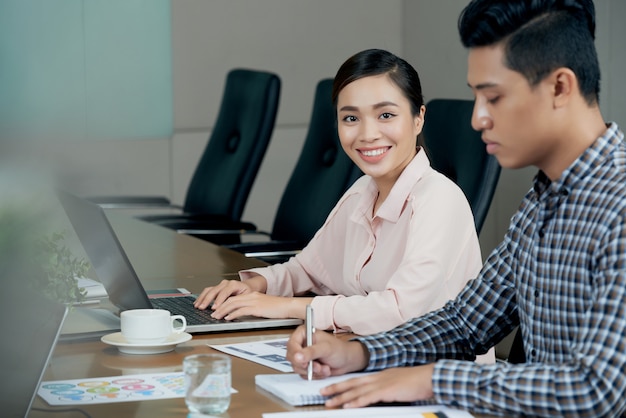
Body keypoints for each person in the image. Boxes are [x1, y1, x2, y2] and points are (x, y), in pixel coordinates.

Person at [286, 0, 626, 416]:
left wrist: (429, 379)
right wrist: (360, 353)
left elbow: (597, 390)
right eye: (476, 97)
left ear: (560, 87)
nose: (478, 119)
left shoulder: (619, 204)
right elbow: (465, 323)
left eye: (494, 98)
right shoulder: (542, 202)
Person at [194, 49, 484, 339]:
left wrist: (287, 307)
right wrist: (257, 286)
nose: (368, 133)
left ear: (418, 118)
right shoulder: (362, 192)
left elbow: (399, 311)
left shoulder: (440, 200)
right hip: (368, 357)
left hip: (437, 376)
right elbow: (309, 270)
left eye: (386, 115)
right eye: (350, 118)